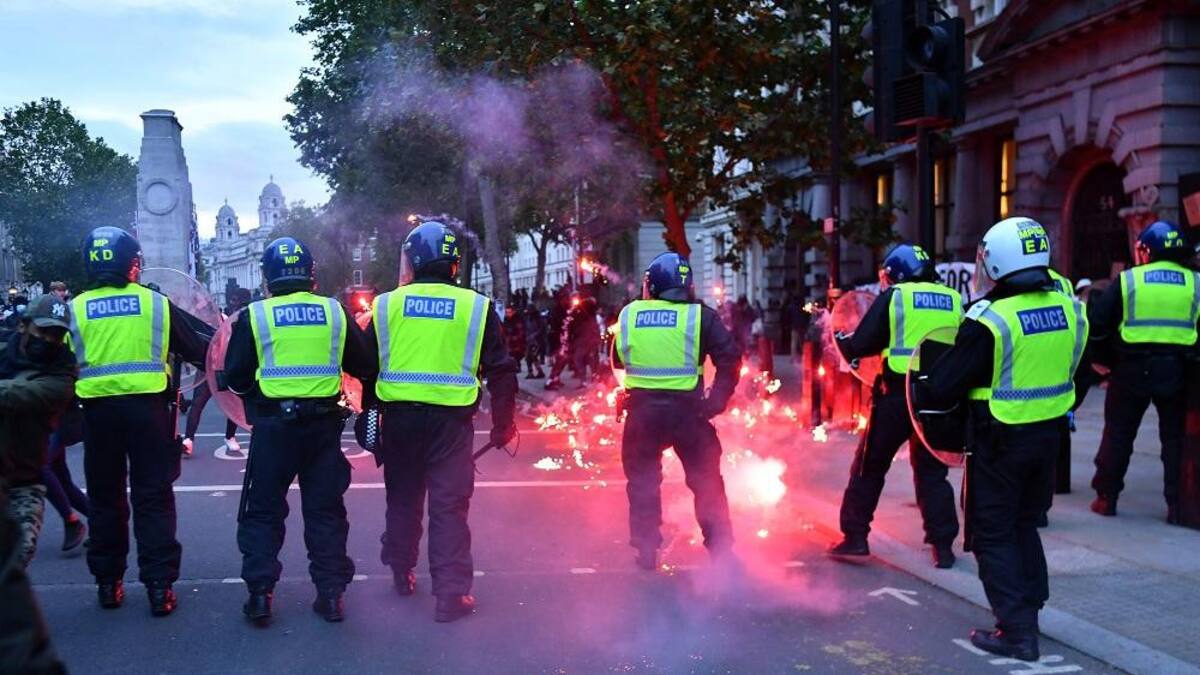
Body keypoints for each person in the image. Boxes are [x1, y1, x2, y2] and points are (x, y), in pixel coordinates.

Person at [916, 217, 1088, 661]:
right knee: (1025, 524)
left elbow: (945, 384)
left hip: (999, 440)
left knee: (992, 533)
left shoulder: (990, 318)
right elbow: (1079, 369)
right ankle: (1029, 606)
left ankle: (1016, 632)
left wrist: (927, 379)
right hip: (1049, 437)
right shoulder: (1070, 307)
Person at [364, 221, 518, 623]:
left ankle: (401, 569)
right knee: (449, 507)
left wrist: (366, 415)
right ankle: (450, 595)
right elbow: (502, 370)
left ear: (414, 260)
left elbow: (363, 367)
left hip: (398, 421)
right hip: (451, 426)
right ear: (452, 263)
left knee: (403, 499)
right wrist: (503, 424)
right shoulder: (476, 307)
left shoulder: (385, 306)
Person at [223, 237, 373, 624]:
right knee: (324, 511)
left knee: (263, 513)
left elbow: (237, 378)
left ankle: (259, 595)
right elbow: (362, 362)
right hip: (323, 428)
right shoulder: (334, 312)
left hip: (273, 428)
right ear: (311, 275)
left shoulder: (255, 316)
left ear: (268, 276)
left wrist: (260, 396)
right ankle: (331, 595)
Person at [68, 227, 209, 616]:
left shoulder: (75, 308)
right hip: (148, 413)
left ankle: (108, 583)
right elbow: (198, 350)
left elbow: (59, 365)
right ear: (133, 264)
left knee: (105, 498)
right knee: (153, 497)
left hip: (97, 416)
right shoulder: (155, 305)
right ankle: (160, 587)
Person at [826, 244, 961, 568]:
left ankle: (855, 538)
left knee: (869, 466)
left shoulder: (897, 296)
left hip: (897, 396)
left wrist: (842, 337)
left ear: (897, 273)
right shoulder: (954, 299)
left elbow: (863, 343)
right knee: (932, 471)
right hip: (935, 398)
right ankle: (943, 547)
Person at [613, 252, 741, 571]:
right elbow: (730, 358)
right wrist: (715, 403)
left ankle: (645, 548)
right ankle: (721, 549)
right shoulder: (701, 317)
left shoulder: (629, 314)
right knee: (706, 481)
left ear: (652, 285)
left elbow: (617, 359)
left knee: (643, 482)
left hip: (642, 414)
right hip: (689, 414)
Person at [1088, 220, 1198, 523]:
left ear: (1147, 251)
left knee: (1118, 435)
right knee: (1175, 440)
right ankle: (1177, 505)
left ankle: (1106, 497)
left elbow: (1098, 323)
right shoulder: (1196, 283)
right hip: (1178, 370)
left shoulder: (1128, 280)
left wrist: (1103, 361)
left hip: (1131, 369)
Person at [0, 295, 78, 568]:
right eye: (43, 332)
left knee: (15, 557)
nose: (48, 341)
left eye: (56, 335)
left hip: (23, 481)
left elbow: (20, 393)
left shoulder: (63, 372)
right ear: (24, 325)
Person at [523, 305, 546, 379]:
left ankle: (539, 371)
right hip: (530, 340)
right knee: (528, 357)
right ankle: (532, 372)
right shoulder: (528, 318)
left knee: (533, 356)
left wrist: (534, 335)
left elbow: (541, 329)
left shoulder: (538, 319)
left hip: (537, 341)